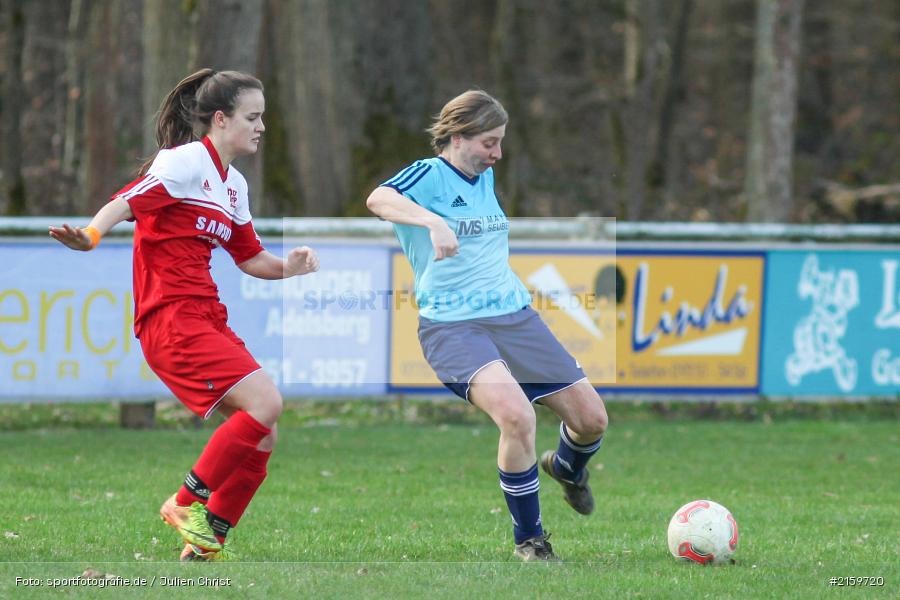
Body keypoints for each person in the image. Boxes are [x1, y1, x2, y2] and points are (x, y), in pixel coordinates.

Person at [49, 69, 319, 562]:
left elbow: (250, 258)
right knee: (267, 403)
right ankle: (184, 502)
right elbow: (127, 202)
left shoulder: (232, 184)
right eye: (252, 117)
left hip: (205, 314)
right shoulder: (185, 161)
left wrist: (290, 268)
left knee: (263, 434)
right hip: (170, 317)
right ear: (220, 119)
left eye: (263, 118)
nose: (262, 127)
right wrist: (90, 235)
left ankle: (208, 541)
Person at [365, 90, 608, 561]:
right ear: (458, 137)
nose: (497, 154)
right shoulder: (429, 174)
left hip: (514, 317)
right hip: (453, 328)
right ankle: (530, 542)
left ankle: (567, 469)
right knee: (517, 416)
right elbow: (378, 198)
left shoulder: (484, 174)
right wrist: (431, 221)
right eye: (489, 143)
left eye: (499, 143)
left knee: (591, 420)